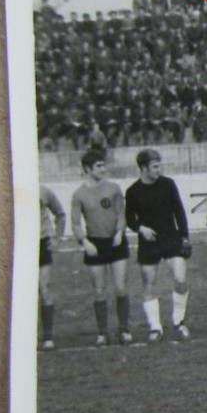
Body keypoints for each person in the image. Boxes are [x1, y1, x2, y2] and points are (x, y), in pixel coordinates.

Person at [125, 148, 192, 342]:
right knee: (149, 284)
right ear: (143, 168)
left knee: (180, 279)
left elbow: (179, 212)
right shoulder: (133, 191)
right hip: (149, 242)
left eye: (160, 166)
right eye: (155, 167)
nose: (158, 170)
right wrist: (141, 229)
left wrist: (184, 237)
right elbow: (130, 219)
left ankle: (178, 322)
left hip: (171, 238)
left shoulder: (168, 185)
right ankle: (155, 328)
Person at [71, 148, 132, 346]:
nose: (103, 169)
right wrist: (84, 241)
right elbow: (76, 222)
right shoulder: (79, 194)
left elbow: (122, 213)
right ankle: (103, 333)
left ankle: (124, 329)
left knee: (120, 287)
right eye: (99, 166)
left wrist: (120, 232)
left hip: (116, 241)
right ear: (88, 169)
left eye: (104, 165)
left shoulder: (114, 188)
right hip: (94, 244)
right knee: (99, 290)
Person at [38, 185, 67, 350]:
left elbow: (60, 214)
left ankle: (48, 337)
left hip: (42, 243)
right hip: (20, 245)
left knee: (45, 288)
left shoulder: (43, 191)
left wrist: (57, 239)